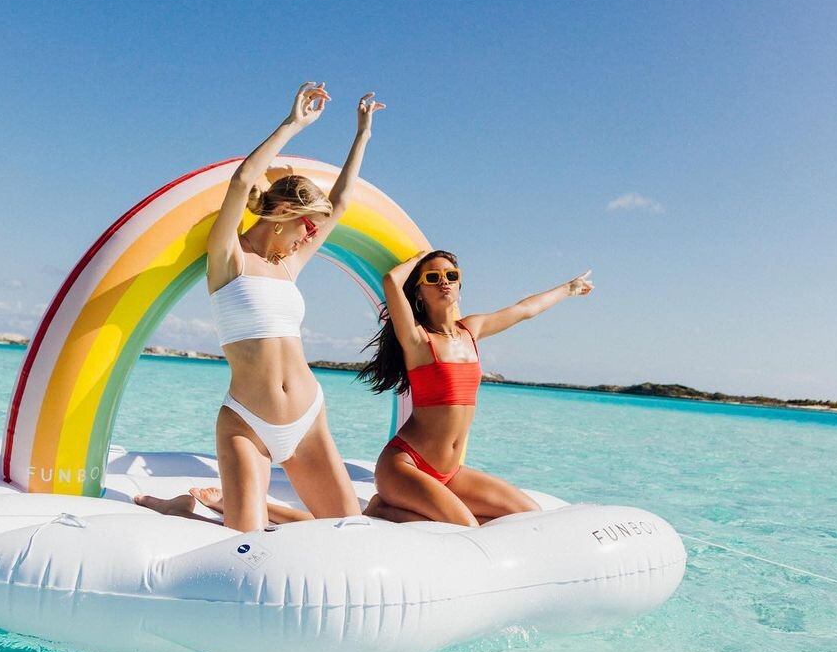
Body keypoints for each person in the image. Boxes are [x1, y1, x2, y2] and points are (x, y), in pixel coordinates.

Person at [135, 82, 385, 530]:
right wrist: (293, 124)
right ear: (284, 214)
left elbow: (342, 201)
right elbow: (241, 182)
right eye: (308, 226)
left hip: (309, 421)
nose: (311, 237)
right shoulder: (229, 257)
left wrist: (362, 134)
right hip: (247, 424)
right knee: (245, 544)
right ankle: (183, 506)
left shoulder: (289, 266)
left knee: (351, 532)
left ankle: (216, 505)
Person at [356, 250, 594, 526]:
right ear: (418, 293)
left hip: (449, 473)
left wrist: (568, 288)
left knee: (529, 513)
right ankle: (381, 509)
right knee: (466, 528)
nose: (443, 281)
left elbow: (524, 310)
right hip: (405, 466)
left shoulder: (471, 329)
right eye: (432, 277)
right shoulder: (417, 339)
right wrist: (417, 259)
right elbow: (391, 282)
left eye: (451, 275)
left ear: (459, 284)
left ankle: (402, 508)